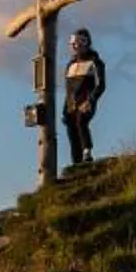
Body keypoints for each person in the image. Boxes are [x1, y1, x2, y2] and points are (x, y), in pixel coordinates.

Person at [61, 27, 106, 168]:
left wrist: (91, 100)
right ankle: (76, 163)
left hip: (86, 101)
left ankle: (87, 152)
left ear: (86, 43)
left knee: (81, 121)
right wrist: (65, 109)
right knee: (71, 128)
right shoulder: (70, 65)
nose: (75, 46)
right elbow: (68, 90)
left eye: (79, 43)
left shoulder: (95, 62)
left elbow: (101, 85)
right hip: (71, 105)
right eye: (73, 44)